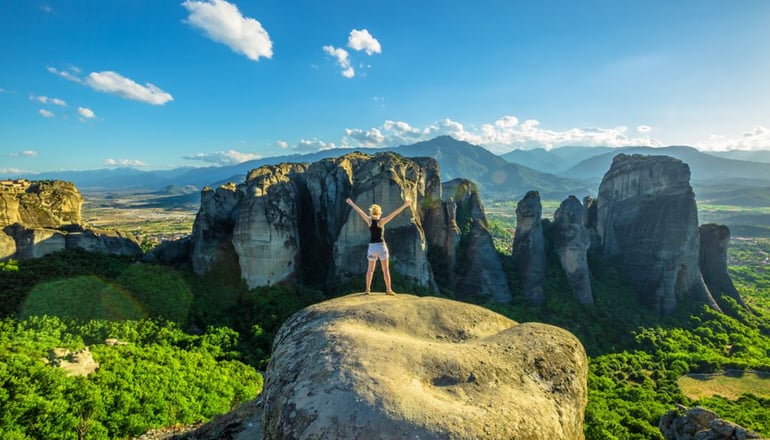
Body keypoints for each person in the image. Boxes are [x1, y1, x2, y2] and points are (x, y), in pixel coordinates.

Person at [345, 196, 412, 296]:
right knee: (385, 270)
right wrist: (405, 205)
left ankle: (367, 289)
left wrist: (351, 203)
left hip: (372, 247)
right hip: (381, 247)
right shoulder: (381, 221)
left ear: (371, 213)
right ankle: (388, 290)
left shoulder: (369, 221)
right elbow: (394, 213)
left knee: (370, 270)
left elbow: (359, 211)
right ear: (380, 213)